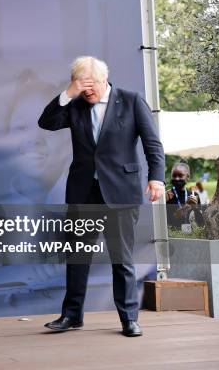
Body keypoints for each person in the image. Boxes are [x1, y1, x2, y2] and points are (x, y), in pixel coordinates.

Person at [38, 56, 165, 337]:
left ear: (103, 78)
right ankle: (71, 316)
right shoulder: (75, 104)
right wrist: (68, 94)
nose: (87, 90)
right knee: (77, 257)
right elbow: (46, 122)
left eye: (90, 83)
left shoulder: (131, 101)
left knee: (122, 258)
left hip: (121, 192)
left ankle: (129, 318)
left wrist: (157, 177)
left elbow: (152, 143)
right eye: (80, 85)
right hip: (84, 192)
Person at [166, 163, 204, 229]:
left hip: (191, 236)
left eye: (180, 175)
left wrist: (196, 208)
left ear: (188, 177)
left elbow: (201, 222)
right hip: (173, 236)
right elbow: (168, 220)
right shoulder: (167, 196)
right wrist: (185, 207)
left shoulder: (194, 195)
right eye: (174, 176)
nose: (177, 178)